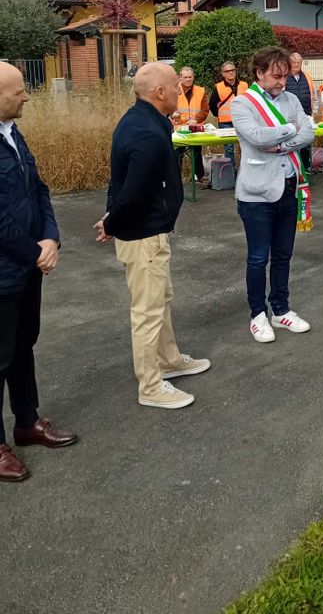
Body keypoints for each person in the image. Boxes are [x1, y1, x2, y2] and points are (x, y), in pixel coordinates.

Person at [94, 62, 210, 409]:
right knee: (147, 311)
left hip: (151, 231)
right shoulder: (144, 129)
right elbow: (132, 189)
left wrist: (114, 218)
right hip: (142, 235)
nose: (180, 89)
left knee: (162, 300)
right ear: (159, 92)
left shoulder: (147, 120)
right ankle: (150, 386)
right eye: (175, 85)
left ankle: (168, 360)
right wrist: (112, 222)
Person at [0, 63, 77, 482]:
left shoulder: (13, 135)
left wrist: (50, 237)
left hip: (28, 265)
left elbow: (40, 190)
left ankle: (27, 422)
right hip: (7, 269)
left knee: (23, 344)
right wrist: (34, 252)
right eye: (18, 91)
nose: (26, 96)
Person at [231, 46, 315, 343]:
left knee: (283, 255)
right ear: (259, 73)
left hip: (289, 187)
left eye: (285, 75)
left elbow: (308, 133)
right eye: (277, 76)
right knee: (257, 257)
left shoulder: (292, 99)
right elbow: (254, 137)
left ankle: (281, 309)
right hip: (256, 193)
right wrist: (291, 128)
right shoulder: (243, 103)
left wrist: (283, 140)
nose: (283, 81)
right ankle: (257, 314)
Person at [172, 66, 210, 188]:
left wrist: (196, 119)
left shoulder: (200, 91)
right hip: (179, 129)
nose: (188, 79)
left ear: (193, 77)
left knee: (197, 153)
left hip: (195, 128)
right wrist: (174, 114)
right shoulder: (174, 90)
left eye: (190, 77)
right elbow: (168, 106)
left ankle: (200, 177)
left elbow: (205, 110)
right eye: (185, 77)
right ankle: (176, 179)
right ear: (180, 78)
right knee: (178, 154)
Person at [209, 61, 248, 176]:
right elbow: (212, 104)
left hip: (243, 121)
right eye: (227, 71)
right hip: (225, 123)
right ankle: (233, 174)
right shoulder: (219, 87)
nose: (230, 73)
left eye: (232, 70)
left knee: (246, 147)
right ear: (223, 73)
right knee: (229, 149)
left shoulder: (244, 85)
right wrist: (219, 114)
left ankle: (245, 172)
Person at [285, 52, 317, 175]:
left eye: (298, 62)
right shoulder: (285, 78)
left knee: (305, 142)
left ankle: (306, 167)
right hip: (290, 118)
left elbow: (314, 97)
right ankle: (293, 168)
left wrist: (313, 113)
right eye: (293, 62)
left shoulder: (308, 77)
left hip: (306, 116)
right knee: (292, 143)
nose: (296, 64)